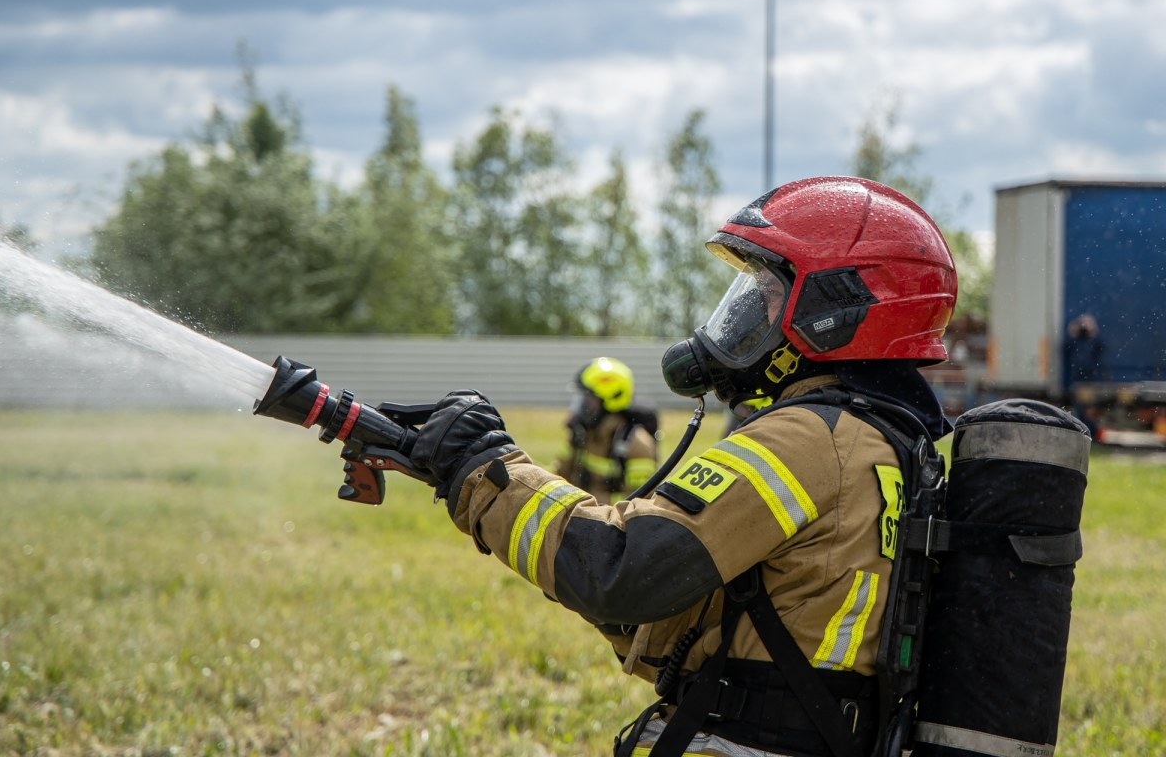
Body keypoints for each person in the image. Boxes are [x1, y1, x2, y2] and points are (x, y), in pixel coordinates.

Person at [394, 176, 957, 757]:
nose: (747, 308)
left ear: (833, 311)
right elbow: (692, 614)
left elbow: (620, 571)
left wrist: (485, 467)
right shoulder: (890, 446)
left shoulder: (811, 439)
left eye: (766, 289)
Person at [553, 357, 660, 503]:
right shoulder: (581, 433)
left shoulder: (638, 445)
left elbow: (639, 504)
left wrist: (585, 499)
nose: (581, 405)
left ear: (610, 399)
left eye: (588, 398)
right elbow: (558, 474)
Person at [1062, 313, 1104, 437]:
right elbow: (1065, 348)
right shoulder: (1075, 340)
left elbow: (1101, 348)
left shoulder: (1093, 341)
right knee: (1079, 409)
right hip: (1078, 380)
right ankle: (1083, 434)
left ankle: (1092, 434)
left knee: (1090, 410)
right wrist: (1072, 331)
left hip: (1091, 381)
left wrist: (1093, 330)